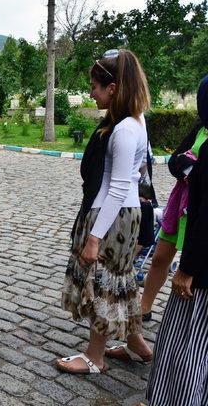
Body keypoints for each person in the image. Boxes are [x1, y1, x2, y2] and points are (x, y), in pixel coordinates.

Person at [56, 49, 153, 374]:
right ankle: (135, 342)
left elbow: (117, 187)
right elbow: (139, 171)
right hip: (121, 213)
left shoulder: (124, 129)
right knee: (120, 281)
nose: (91, 92)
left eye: (95, 86)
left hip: (111, 215)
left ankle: (94, 357)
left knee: (101, 285)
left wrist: (94, 238)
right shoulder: (134, 120)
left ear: (113, 88)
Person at [145, 74, 208, 406]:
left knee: (190, 340)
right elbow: (176, 161)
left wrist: (189, 269)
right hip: (183, 206)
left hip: (199, 241)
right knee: (160, 257)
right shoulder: (200, 131)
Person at [140, 116, 208, 321]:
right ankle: (144, 307)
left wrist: (189, 166)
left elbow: (186, 164)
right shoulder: (201, 127)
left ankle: (188, 319)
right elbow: (174, 161)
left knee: (193, 260)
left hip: (198, 207)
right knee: (160, 257)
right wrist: (192, 169)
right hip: (181, 201)